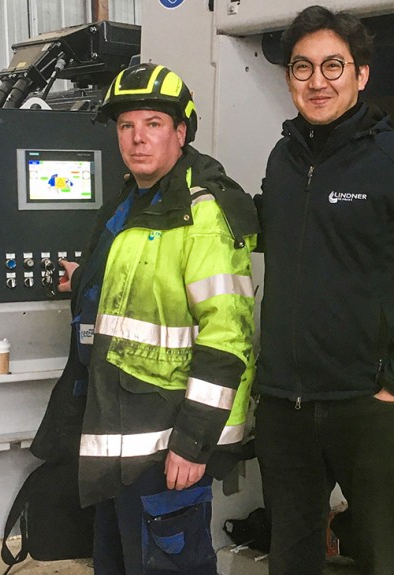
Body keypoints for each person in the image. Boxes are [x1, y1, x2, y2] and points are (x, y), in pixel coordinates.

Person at [253, 6, 394, 574]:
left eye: (333, 66)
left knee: (384, 556)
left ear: (361, 74)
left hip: (368, 406)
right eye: (302, 68)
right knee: (290, 556)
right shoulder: (284, 158)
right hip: (285, 405)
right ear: (288, 78)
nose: (318, 81)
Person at [59, 62, 259, 575]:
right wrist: (87, 280)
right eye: (126, 126)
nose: (137, 139)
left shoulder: (200, 214)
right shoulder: (136, 202)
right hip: (123, 433)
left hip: (169, 442)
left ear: (181, 132)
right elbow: (142, 284)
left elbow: (227, 335)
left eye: (153, 124)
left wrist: (192, 444)